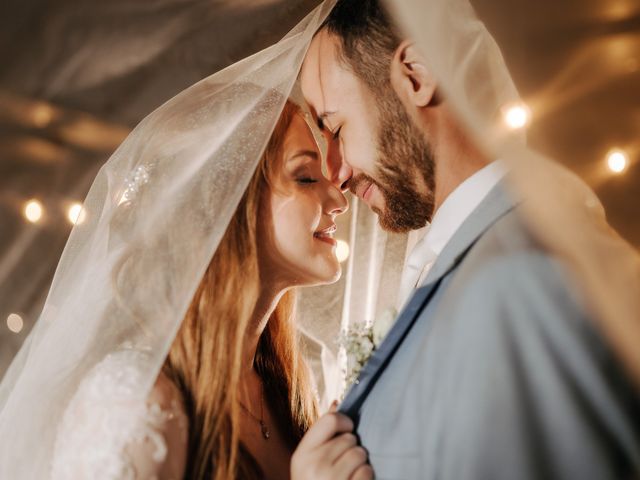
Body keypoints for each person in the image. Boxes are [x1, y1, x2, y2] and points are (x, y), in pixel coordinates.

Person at [296, 0, 640, 478]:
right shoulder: (474, 259)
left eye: (334, 128)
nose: (335, 171)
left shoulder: (520, 281)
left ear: (416, 74)